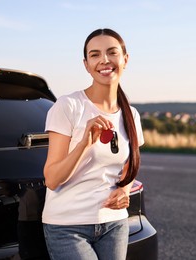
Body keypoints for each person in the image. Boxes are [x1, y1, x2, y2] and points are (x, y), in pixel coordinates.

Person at [42, 28, 144, 260]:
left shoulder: (132, 114)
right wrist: (84, 143)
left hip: (114, 223)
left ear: (125, 59)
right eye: (95, 54)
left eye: (112, 52)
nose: (104, 60)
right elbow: (52, 179)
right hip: (68, 226)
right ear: (86, 65)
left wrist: (123, 190)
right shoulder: (68, 106)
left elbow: (129, 164)